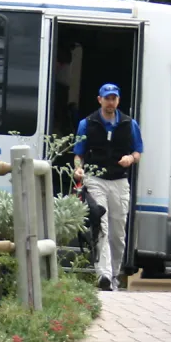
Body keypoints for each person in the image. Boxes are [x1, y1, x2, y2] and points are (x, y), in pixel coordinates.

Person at [73, 83, 143, 291]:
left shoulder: (130, 124)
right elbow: (79, 154)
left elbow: (138, 151)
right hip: (95, 179)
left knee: (118, 233)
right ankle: (103, 275)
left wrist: (130, 159)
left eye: (114, 98)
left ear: (118, 101)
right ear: (99, 100)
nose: (110, 102)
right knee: (101, 226)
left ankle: (114, 275)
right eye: (107, 98)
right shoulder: (86, 124)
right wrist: (78, 169)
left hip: (120, 181)